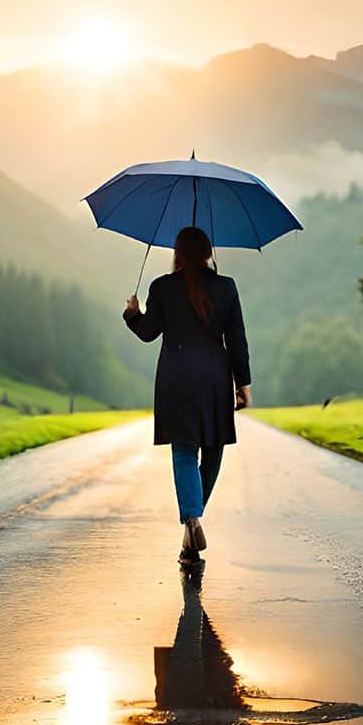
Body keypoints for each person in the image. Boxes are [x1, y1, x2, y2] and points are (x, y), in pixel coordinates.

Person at [122, 226, 252, 567]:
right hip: (213, 377)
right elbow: (237, 339)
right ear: (209, 252)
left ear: (177, 252)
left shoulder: (162, 287)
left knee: (183, 450)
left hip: (176, 377)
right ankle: (193, 519)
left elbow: (149, 333)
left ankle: (191, 521)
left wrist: (132, 314)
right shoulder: (226, 287)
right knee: (213, 449)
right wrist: (244, 384)